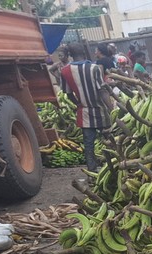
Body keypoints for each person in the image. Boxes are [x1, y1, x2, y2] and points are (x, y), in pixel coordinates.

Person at [59, 43, 112, 172]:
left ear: (70, 54)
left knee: (89, 144)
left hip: (84, 112)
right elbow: (102, 91)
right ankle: (112, 167)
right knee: (109, 140)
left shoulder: (65, 71)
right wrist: (111, 108)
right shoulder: (93, 68)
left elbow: (68, 93)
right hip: (101, 111)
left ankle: (91, 171)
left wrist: (78, 103)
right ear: (84, 51)